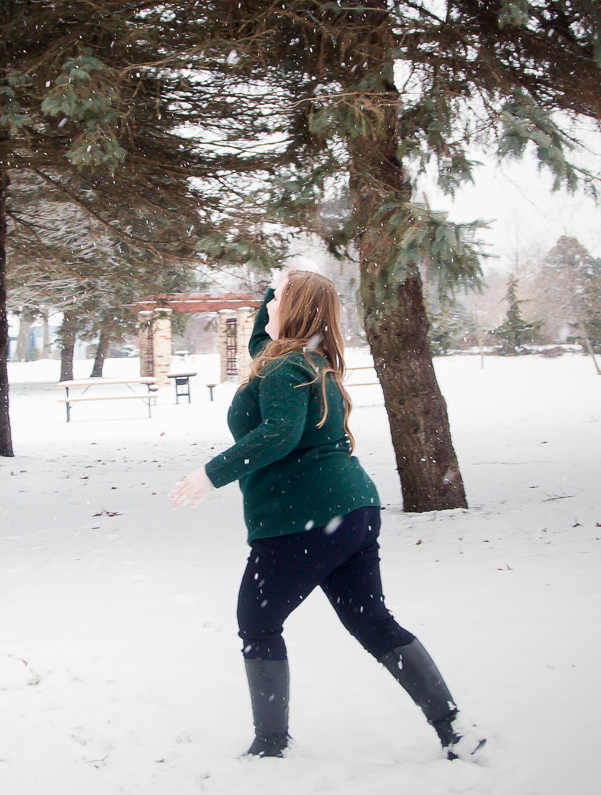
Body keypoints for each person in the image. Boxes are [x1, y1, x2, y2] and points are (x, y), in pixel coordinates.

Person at [171, 267, 486, 762]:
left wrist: (211, 474)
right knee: (373, 622)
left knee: (256, 621)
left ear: (293, 313)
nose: (269, 305)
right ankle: (454, 729)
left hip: (304, 520)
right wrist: (276, 288)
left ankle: (271, 744)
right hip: (352, 513)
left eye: (278, 301)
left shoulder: (282, 370)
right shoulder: (304, 362)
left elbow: (279, 433)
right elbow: (262, 340)